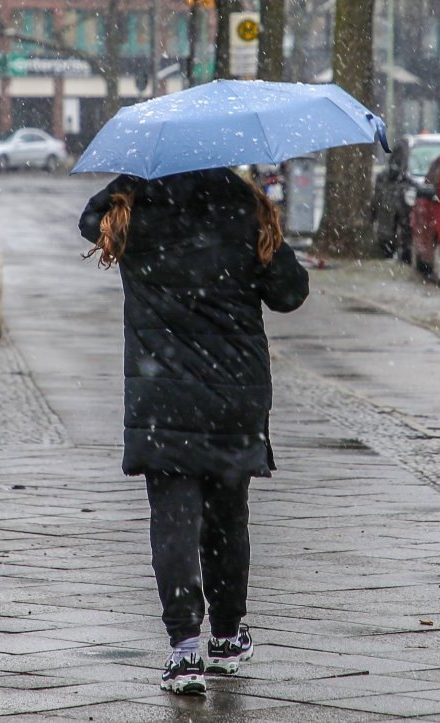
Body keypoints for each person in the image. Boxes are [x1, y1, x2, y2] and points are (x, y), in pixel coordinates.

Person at [78, 168, 309, 696]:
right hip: (234, 393)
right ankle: (227, 635)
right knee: (228, 518)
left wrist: (132, 176)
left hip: (163, 397)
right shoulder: (245, 205)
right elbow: (290, 293)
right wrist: (265, 219)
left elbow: (90, 220)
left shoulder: (135, 206)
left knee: (174, 522)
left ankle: (185, 651)